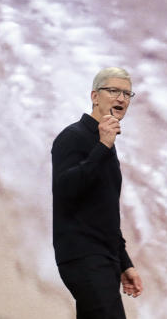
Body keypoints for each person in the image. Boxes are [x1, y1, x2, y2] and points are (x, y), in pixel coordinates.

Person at [52, 67, 144, 318]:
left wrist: (124, 263)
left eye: (127, 93)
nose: (121, 99)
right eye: (113, 90)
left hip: (104, 258)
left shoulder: (107, 147)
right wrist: (102, 146)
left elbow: (104, 213)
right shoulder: (73, 137)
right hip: (83, 255)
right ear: (94, 96)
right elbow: (65, 190)